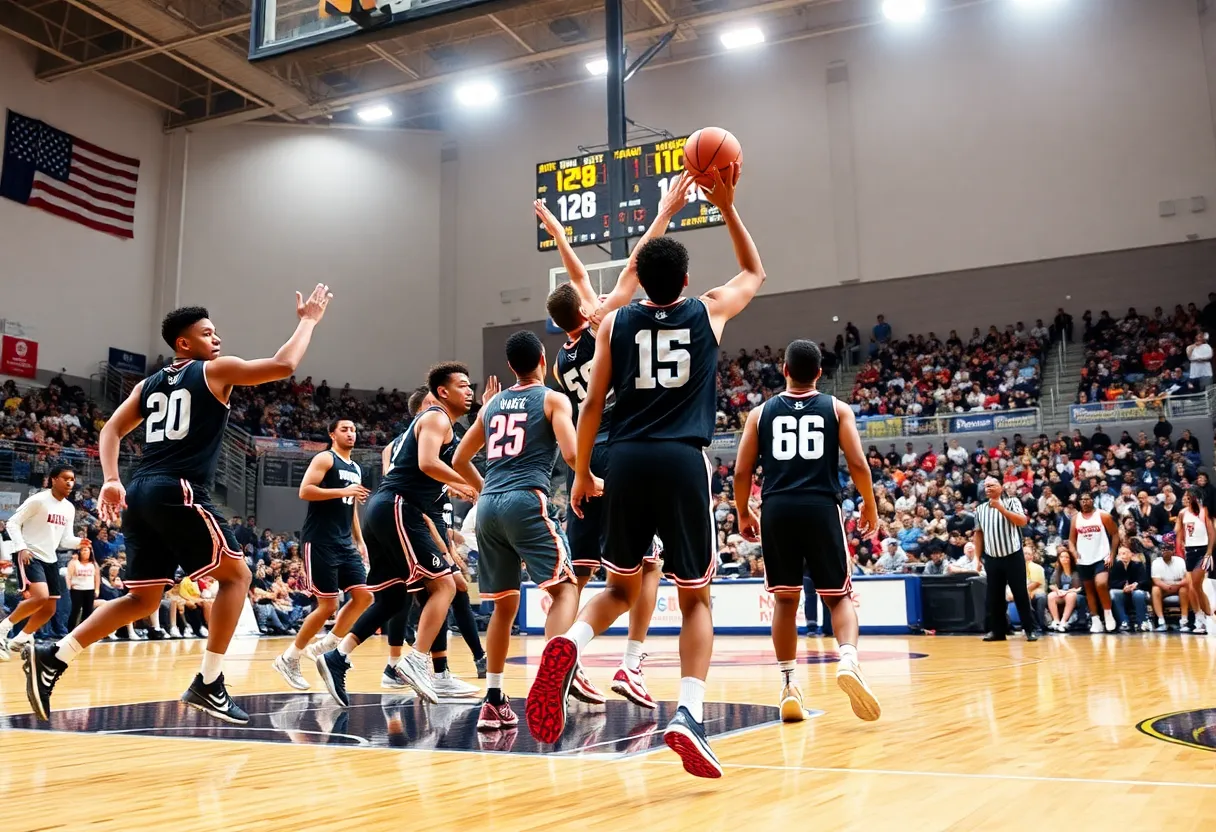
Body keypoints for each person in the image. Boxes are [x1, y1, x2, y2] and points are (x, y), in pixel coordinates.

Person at [537, 160, 763, 778]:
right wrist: (725, 205)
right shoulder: (709, 310)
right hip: (683, 460)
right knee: (695, 598)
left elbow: (589, 404)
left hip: (625, 459)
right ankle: (688, 712)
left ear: (641, 279)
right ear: (688, 279)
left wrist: (582, 472)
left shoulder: (615, 321)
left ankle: (571, 644)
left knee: (616, 586)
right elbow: (753, 271)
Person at [22, 290, 333, 723]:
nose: (217, 339)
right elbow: (284, 365)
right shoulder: (213, 371)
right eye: (207, 333)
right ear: (184, 343)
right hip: (179, 489)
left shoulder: (147, 385)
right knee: (238, 575)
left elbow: (111, 429)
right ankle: (209, 682)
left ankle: (54, 656)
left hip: (142, 489)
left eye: (216, 332)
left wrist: (112, 479)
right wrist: (309, 322)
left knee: (143, 599)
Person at [541, 187, 691, 707]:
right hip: (621, 449)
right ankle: (632, 664)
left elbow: (579, 277)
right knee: (645, 566)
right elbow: (633, 266)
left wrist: (560, 234)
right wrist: (665, 211)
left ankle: (566, 659)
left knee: (581, 572)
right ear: (586, 308)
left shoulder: (560, 364)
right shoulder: (609, 323)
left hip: (584, 458)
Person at [734, 340, 881, 724]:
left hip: (777, 509)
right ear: (819, 373)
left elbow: (740, 472)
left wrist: (742, 512)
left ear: (784, 370)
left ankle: (788, 684)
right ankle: (848, 659)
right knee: (838, 597)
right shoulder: (836, 408)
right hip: (820, 506)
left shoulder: (759, 413)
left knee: (785, 601)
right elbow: (858, 463)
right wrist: (870, 503)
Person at [452, 330, 591, 734]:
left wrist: (486, 491)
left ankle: (493, 701)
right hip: (526, 499)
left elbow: (461, 457)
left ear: (511, 367)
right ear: (543, 361)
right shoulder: (552, 398)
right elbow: (569, 453)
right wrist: (592, 477)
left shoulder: (492, 403)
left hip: (489, 506)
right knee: (565, 588)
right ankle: (554, 675)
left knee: (503, 607)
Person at [315, 363, 476, 707]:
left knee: (393, 598)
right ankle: (416, 663)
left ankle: (337, 657)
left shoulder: (442, 425)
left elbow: (442, 463)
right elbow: (429, 463)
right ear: (441, 392)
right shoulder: (436, 416)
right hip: (400, 507)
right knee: (445, 585)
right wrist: (462, 483)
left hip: (384, 509)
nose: (470, 391)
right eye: (463, 385)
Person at [271, 418, 374, 691]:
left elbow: (351, 507)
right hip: (319, 540)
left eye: (354, 429)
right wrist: (343, 490)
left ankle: (326, 645)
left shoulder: (356, 468)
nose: (351, 433)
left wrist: (360, 540)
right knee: (327, 605)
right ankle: (289, 658)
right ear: (332, 434)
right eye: (345, 429)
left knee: (364, 596)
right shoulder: (325, 459)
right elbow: (305, 491)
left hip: (345, 542)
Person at [0, 466, 83, 661]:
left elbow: (65, 541)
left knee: (50, 608)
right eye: (65, 478)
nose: (70, 482)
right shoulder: (38, 500)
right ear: (53, 479)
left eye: (72, 479)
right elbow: (12, 522)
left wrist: (80, 542)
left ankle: (19, 640)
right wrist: (21, 547)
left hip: (50, 558)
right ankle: (2, 630)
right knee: (40, 597)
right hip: (29, 554)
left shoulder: (69, 508)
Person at [973, 477, 1037, 642]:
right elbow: (978, 535)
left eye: (992, 485)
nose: (988, 488)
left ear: (1000, 487)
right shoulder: (980, 509)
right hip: (992, 557)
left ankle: (1029, 629)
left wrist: (1001, 508)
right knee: (994, 596)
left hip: (1013, 555)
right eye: (986, 486)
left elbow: (1022, 521)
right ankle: (998, 631)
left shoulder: (1012, 502)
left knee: (1020, 593)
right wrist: (977, 558)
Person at [1069, 492, 1119, 634]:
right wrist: (1074, 552)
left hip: (1101, 557)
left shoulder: (1103, 515)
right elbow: (1071, 541)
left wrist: (1112, 554)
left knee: (1101, 584)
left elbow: (1115, 534)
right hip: (1084, 559)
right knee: (1089, 590)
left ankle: (1108, 615)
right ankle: (1095, 619)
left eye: (1087, 499)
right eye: (1082, 500)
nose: (1084, 502)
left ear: (1092, 500)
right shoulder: (1075, 519)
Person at [1176, 487, 1214, 635]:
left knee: (1196, 584)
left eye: (1188, 496)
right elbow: (1179, 533)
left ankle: (1208, 616)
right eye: (1185, 496)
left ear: (1195, 497)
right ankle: (1206, 615)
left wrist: (1209, 552)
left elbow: (1212, 533)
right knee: (1194, 587)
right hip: (1190, 551)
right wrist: (1179, 546)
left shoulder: (1204, 511)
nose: (1186, 498)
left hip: (1203, 550)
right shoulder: (1182, 513)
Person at [1108, 547, 1149, 632]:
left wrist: (1135, 585)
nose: (1122, 556)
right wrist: (1123, 586)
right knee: (1113, 593)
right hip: (1122, 591)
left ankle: (1142, 622)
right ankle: (1124, 621)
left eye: (1125, 553)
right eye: (1120, 554)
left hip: (1136, 590)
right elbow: (1111, 583)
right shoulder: (1114, 566)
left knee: (1138, 594)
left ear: (1131, 554)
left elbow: (1145, 581)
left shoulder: (1138, 565)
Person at [1151, 546, 1190, 631]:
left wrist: (1176, 584)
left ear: (1173, 551)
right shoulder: (1156, 562)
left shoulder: (1180, 561)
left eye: (1167, 549)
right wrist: (1165, 586)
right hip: (1163, 587)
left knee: (1184, 589)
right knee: (1155, 589)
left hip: (1178, 586)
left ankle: (1184, 621)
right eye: (1163, 549)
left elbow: (1186, 579)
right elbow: (1156, 580)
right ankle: (1161, 621)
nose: (1165, 551)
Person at [65, 543, 100, 631]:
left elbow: (97, 577)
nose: (85, 552)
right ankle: (70, 630)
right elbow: (68, 576)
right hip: (77, 589)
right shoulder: (74, 563)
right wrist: (68, 588)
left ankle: (86, 631)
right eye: (83, 550)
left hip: (89, 589)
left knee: (88, 611)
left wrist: (97, 589)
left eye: (87, 550)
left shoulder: (93, 564)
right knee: (75, 611)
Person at [1045, 551, 1080, 632]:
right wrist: (1057, 591)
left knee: (1070, 596)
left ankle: (1063, 621)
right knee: (1051, 596)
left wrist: (1067, 592)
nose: (1064, 559)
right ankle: (1056, 621)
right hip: (1061, 593)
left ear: (1071, 559)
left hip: (1074, 593)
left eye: (1067, 557)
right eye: (1062, 557)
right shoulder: (1057, 571)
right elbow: (1051, 584)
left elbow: (1079, 588)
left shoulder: (1076, 571)